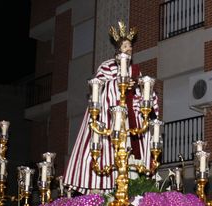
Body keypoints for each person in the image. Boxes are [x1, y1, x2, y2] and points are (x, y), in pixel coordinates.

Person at [63, 21, 159, 193]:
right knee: (107, 153)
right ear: (118, 48)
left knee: (132, 159)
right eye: (125, 45)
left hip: (132, 121)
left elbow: (145, 94)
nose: (128, 49)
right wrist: (119, 84)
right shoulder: (107, 66)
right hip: (110, 120)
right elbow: (97, 89)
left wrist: (141, 91)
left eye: (130, 46)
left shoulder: (136, 71)